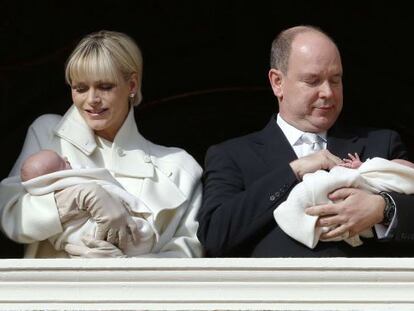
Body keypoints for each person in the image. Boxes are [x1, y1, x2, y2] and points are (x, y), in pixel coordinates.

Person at [197, 25, 414, 257]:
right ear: (277, 82)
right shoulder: (232, 155)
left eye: (335, 80)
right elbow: (215, 235)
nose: (328, 93)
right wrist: (294, 170)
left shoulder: (381, 143)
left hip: (366, 290)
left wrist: (383, 208)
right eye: (313, 81)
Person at [0, 30, 203, 258]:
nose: (92, 100)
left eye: (105, 87)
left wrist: (125, 267)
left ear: (132, 85)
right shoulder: (48, 134)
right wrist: (78, 197)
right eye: (80, 88)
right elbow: (11, 216)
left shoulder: (179, 167)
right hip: (53, 291)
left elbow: (188, 254)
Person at [20, 149, 156, 257]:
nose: (67, 158)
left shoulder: (174, 162)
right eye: (63, 163)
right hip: (73, 260)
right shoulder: (45, 128)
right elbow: (15, 208)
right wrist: (79, 195)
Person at [274, 153, 414, 249]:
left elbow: (402, 179)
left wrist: (384, 207)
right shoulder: (251, 148)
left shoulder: (386, 139)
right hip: (270, 277)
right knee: (314, 188)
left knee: (320, 187)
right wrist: (294, 169)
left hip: (367, 277)